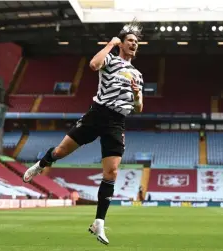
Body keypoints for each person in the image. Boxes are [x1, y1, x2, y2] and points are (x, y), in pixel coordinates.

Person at [23, 24, 144, 245]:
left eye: (136, 42)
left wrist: (136, 96)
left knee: (112, 172)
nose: (134, 44)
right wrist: (111, 44)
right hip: (97, 114)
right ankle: (41, 165)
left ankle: (99, 221)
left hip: (117, 122)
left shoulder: (137, 74)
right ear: (122, 43)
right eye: (130, 40)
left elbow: (139, 108)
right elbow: (93, 64)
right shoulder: (110, 59)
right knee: (60, 151)